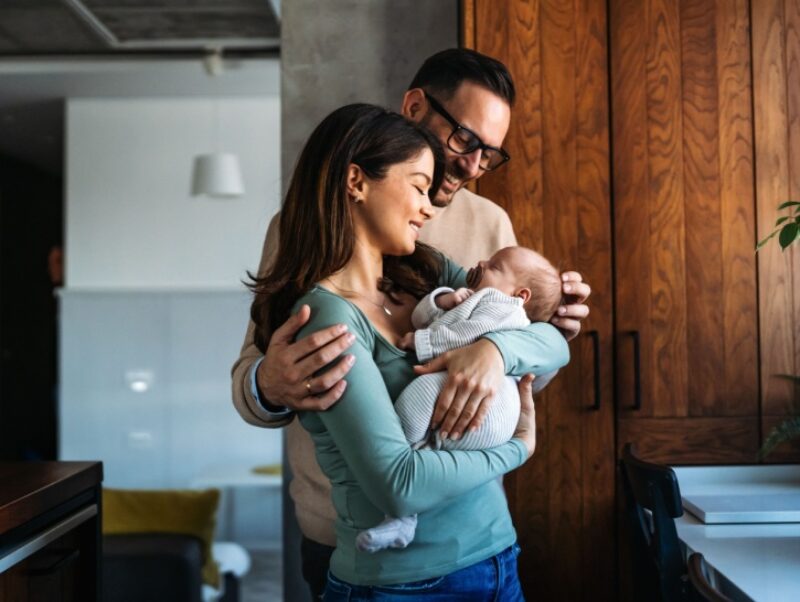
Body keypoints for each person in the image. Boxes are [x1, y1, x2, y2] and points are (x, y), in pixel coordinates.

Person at [231, 49, 592, 598]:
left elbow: (525, 359)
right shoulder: (309, 254)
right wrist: (271, 384)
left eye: (490, 155)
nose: (473, 166)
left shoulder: (467, 237)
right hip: (353, 538)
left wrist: (506, 349)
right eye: (466, 141)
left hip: (485, 536)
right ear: (416, 106)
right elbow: (252, 376)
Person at [356, 245, 563, 554]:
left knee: (417, 398)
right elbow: (424, 316)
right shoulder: (475, 297)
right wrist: (444, 300)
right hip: (488, 418)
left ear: (521, 295)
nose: (481, 262)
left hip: (489, 407)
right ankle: (404, 519)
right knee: (429, 447)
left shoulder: (503, 306)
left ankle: (400, 494)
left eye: (494, 266)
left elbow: (465, 335)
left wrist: (422, 341)